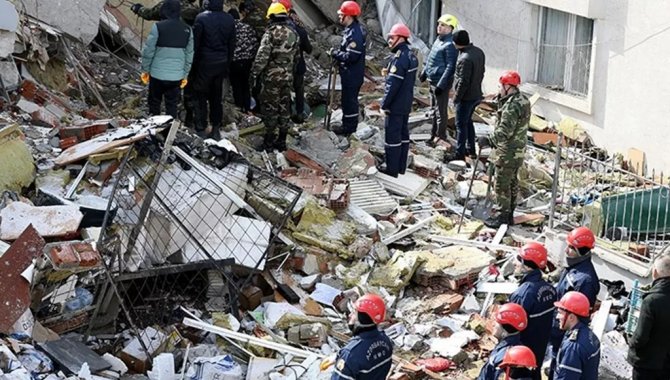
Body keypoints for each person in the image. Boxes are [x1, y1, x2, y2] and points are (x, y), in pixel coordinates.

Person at [478, 70, 530, 228]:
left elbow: (505, 131)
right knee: (512, 182)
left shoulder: (511, 107)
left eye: (501, 86)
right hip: (518, 149)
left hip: (508, 151)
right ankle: (509, 215)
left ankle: (502, 216)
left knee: (501, 184)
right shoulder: (523, 100)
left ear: (508, 87)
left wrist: (489, 140)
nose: (500, 88)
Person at [548, 226, 600, 379]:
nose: (566, 251)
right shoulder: (573, 268)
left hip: (564, 331)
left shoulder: (586, 281)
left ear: (582, 251)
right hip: (561, 329)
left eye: (571, 248)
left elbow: (577, 312)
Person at [250, 2, 299, 151]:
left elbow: (262, 57)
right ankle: (282, 140)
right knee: (285, 107)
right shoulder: (294, 33)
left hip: (272, 79)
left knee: (270, 108)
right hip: (287, 77)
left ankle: (269, 142)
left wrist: (254, 73)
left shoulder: (270, 33)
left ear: (271, 16)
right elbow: (297, 58)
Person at [508, 242, 557, 380]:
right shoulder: (550, 289)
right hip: (539, 351)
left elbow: (511, 329)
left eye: (518, 259)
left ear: (527, 265)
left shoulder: (522, 294)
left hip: (521, 355)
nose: (514, 263)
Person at [140, 0, 193, 119]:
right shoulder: (188, 30)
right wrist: (185, 75)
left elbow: (148, 51)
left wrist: (145, 70)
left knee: (154, 103)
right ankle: (168, 133)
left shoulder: (158, 27)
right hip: (176, 77)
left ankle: (153, 132)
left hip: (156, 75)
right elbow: (189, 55)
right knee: (172, 105)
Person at [191, 0, 235, 139]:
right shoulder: (229, 19)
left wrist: (193, 65)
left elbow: (195, 45)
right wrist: (227, 63)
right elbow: (232, 44)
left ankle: (200, 128)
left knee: (200, 96)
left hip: (204, 63)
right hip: (221, 63)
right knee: (216, 97)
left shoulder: (201, 18)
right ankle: (216, 128)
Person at [380, 23, 417, 178]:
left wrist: (384, 104)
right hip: (406, 102)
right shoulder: (411, 56)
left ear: (401, 38)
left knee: (392, 137)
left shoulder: (399, 58)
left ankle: (392, 169)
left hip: (395, 104)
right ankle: (401, 167)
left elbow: (393, 85)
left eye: (392, 37)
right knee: (403, 135)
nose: (389, 40)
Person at [627, 254, 670, 379]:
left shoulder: (651, 300)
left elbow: (640, 337)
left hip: (647, 364)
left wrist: (631, 342)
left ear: (655, 272)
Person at [331, 294, 393, 380]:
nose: (349, 316)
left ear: (361, 319)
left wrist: (344, 358)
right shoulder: (386, 341)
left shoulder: (350, 354)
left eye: (353, 312)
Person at [419, 14, 458, 146]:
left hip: (440, 83)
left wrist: (441, 84)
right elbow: (431, 57)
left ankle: (441, 136)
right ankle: (432, 135)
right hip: (432, 80)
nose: (439, 27)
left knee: (440, 112)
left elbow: (450, 66)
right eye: (439, 24)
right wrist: (424, 72)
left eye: (443, 25)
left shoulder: (450, 44)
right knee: (434, 110)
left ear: (450, 28)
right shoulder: (438, 40)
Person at [330, 1, 366, 135]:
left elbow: (352, 56)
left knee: (349, 102)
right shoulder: (351, 30)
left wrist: (335, 54)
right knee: (346, 101)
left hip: (352, 75)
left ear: (349, 16)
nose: (340, 17)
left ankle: (349, 129)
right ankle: (347, 125)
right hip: (349, 74)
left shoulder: (354, 34)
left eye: (342, 15)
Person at [450, 30, 485, 162]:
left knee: (460, 125)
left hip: (466, 97)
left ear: (457, 43)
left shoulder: (464, 58)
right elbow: (482, 72)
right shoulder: (478, 52)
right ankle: (472, 150)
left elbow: (463, 81)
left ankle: (459, 153)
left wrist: (456, 98)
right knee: (468, 122)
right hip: (476, 94)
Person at [552, 292, 600, 380]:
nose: (557, 317)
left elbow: (566, 377)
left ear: (571, 317)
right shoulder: (589, 334)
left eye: (560, 313)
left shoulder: (573, 347)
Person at [478, 303, 527, 380]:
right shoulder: (511, 346)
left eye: (497, 323)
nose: (493, 324)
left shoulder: (507, 358)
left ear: (504, 331)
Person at [229, 6, 258, 113]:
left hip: (234, 62)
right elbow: (255, 43)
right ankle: (248, 108)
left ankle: (239, 108)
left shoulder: (229, 28)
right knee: (245, 85)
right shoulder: (248, 27)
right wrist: (252, 58)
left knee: (236, 85)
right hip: (247, 62)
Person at [288, 9, 312, 123]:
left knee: (283, 91)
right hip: (298, 66)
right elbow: (309, 49)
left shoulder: (275, 29)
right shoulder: (300, 30)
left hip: (282, 67)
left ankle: (286, 115)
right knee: (299, 89)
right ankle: (299, 113)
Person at [131, 0, 200, 25]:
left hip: (167, 42)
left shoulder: (169, 4)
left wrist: (138, 9)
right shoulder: (197, 12)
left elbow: (150, 14)